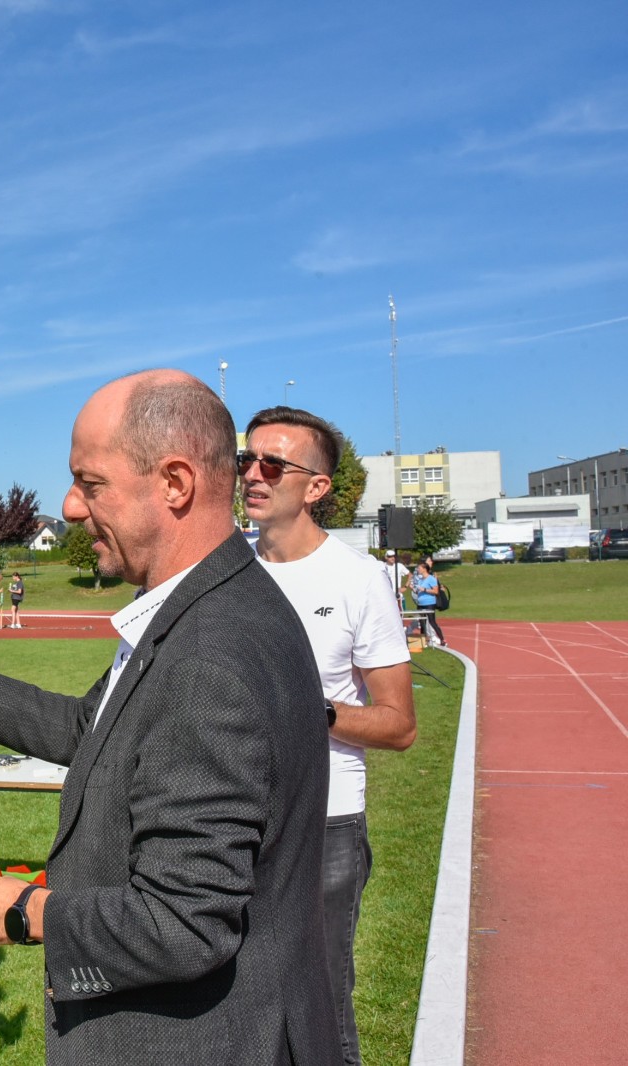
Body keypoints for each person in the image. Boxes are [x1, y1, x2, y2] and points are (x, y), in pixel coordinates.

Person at [0, 370, 341, 1064]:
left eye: (90, 483)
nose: (69, 506)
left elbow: (185, 922)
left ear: (174, 483)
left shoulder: (209, 654)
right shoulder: (206, 604)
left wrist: (27, 911)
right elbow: (92, 730)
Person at [242, 406, 417, 1065]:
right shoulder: (227, 568)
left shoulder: (358, 578)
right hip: (232, 820)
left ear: (316, 486)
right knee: (236, 1009)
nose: (252, 475)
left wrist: (310, 711)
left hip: (323, 826)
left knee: (320, 1016)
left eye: (273, 465)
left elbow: (399, 724)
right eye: (246, 461)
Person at [411, 561, 447, 646]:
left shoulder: (431, 579)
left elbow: (436, 591)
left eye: (419, 568)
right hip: (420, 603)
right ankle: (423, 641)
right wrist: (413, 589)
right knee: (422, 622)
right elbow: (418, 591)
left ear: (424, 569)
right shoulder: (420, 579)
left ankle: (442, 640)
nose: (418, 569)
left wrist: (425, 590)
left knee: (432, 621)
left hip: (429, 603)